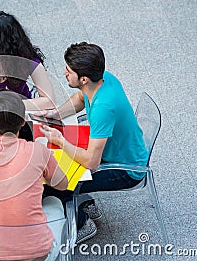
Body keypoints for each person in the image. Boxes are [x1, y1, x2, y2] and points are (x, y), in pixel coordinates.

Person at [38, 42, 149, 243]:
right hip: (117, 149)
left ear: (84, 78)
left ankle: (83, 224)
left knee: (54, 184)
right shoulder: (104, 79)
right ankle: (86, 202)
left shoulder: (103, 108)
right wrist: (55, 115)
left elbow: (91, 162)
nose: (64, 73)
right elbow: (81, 98)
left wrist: (60, 141)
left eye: (69, 71)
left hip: (126, 169)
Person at [0, 90, 68, 260]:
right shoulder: (38, 151)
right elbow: (63, 185)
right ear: (24, 123)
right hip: (39, 253)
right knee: (53, 201)